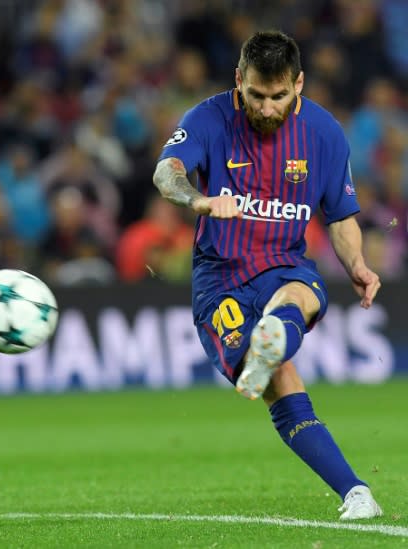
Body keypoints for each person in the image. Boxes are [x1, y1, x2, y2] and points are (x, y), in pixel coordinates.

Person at [153, 30, 383, 521]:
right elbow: (166, 173)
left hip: (283, 264)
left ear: (298, 84)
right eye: (256, 95)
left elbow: (339, 216)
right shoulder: (209, 118)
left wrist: (357, 264)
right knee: (281, 383)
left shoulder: (324, 133)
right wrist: (198, 200)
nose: (268, 107)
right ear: (239, 80)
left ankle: (358, 493)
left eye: (280, 96)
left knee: (300, 294)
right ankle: (353, 488)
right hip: (220, 279)